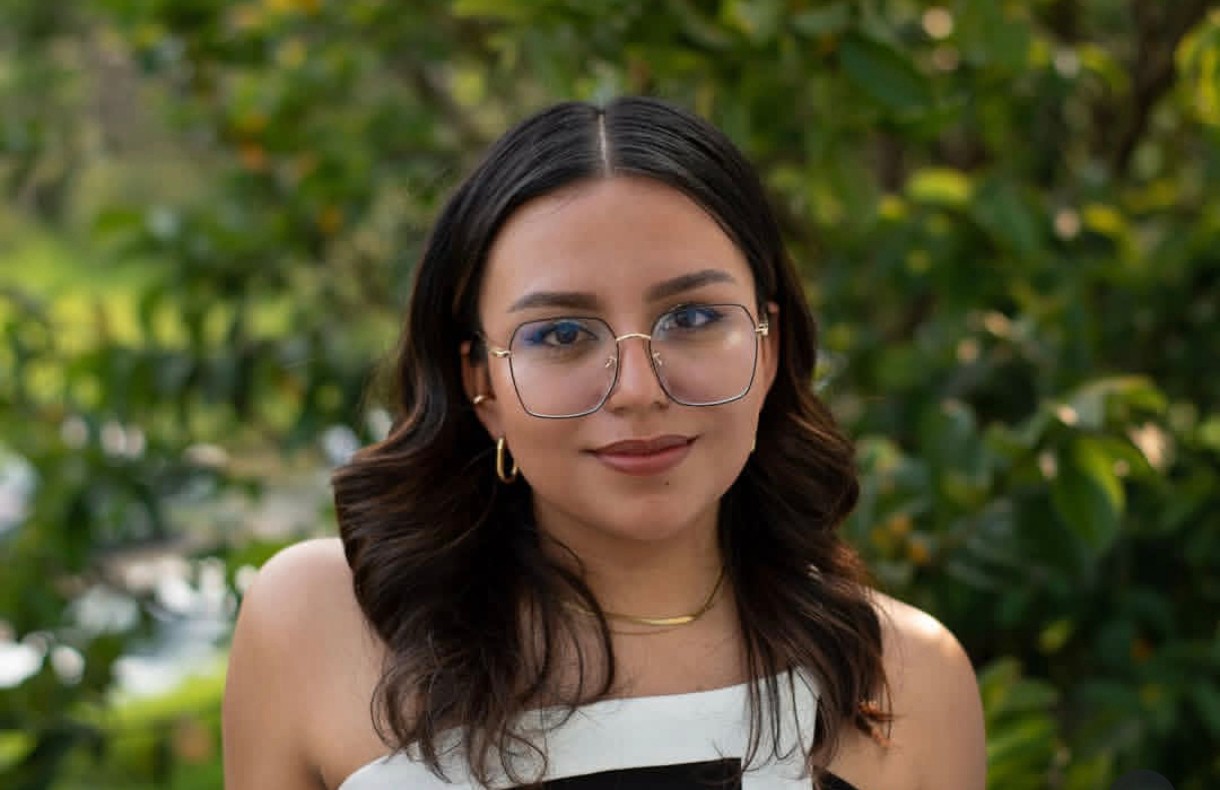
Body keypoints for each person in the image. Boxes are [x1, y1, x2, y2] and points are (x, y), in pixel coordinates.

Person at [222, 96, 986, 789]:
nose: (637, 389)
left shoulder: (906, 681)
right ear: (481, 383)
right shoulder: (320, 624)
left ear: (769, 348)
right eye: (561, 333)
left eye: (692, 318)